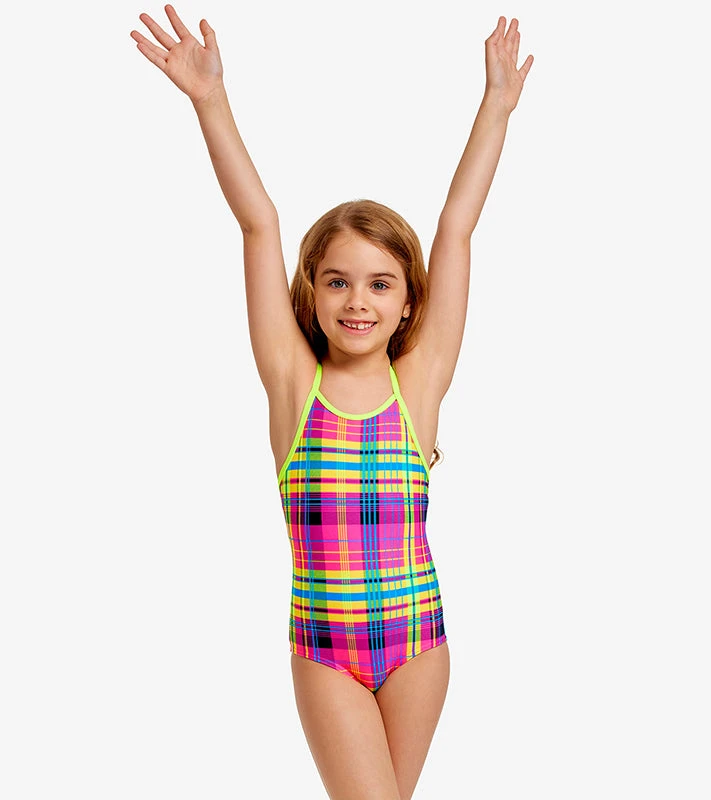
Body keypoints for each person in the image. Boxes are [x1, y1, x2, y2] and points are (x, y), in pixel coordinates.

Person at [130, 6, 533, 798]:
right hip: (327, 653)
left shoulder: (418, 385)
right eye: (338, 281)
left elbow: (456, 229)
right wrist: (211, 102)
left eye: (380, 284)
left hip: (420, 644)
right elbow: (259, 224)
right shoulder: (293, 384)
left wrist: (496, 104)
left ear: (408, 303)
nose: (357, 301)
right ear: (310, 293)